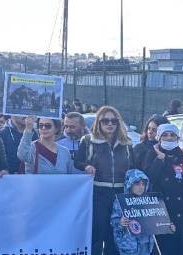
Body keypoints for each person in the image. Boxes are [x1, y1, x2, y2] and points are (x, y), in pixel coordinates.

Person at [74, 105, 134, 255]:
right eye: (105, 121)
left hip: (120, 195)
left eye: (113, 121)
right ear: (98, 123)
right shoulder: (88, 141)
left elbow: (133, 168)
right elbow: (77, 161)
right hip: (98, 193)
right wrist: (86, 166)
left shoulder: (127, 143)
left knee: (115, 235)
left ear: (118, 123)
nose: (109, 124)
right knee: (97, 234)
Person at [144, 124, 183, 255]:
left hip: (181, 210)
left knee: (182, 247)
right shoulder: (151, 154)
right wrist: (160, 160)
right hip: (160, 209)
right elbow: (148, 179)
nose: (169, 138)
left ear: (177, 137)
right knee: (162, 247)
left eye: (172, 135)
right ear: (159, 137)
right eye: (165, 135)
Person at [110, 169, 162, 255]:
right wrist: (120, 222)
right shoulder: (120, 201)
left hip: (146, 245)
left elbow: (157, 218)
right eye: (137, 184)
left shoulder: (149, 200)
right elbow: (113, 221)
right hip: (128, 246)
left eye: (143, 184)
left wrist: (167, 225)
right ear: (130, 184)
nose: (141, 187)